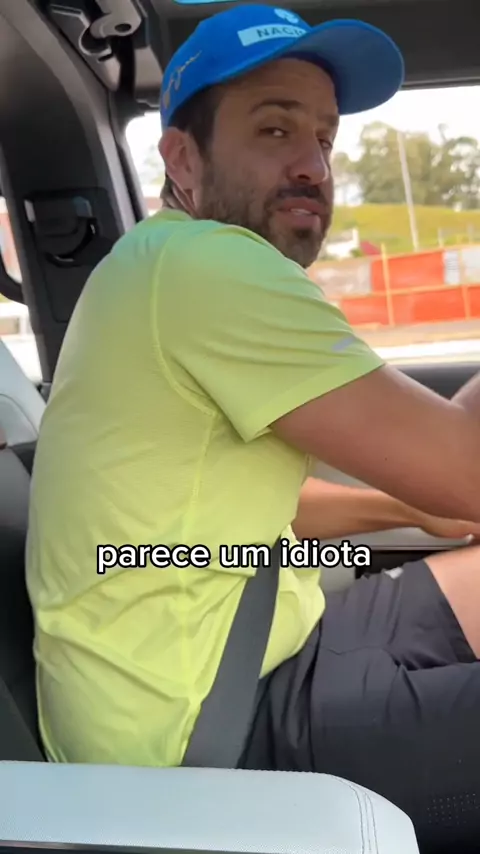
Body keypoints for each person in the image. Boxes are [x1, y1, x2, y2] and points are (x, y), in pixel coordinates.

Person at [25, 4, 480, 852]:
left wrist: (404, 509)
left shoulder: (160, 269)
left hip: (261, 641)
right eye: (274, 130)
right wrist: (443, 490)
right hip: (204, 738)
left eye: (324, 138)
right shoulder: (206, 267)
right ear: (183, 160)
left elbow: (243, 508)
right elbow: (472, 471)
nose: (313, 165)